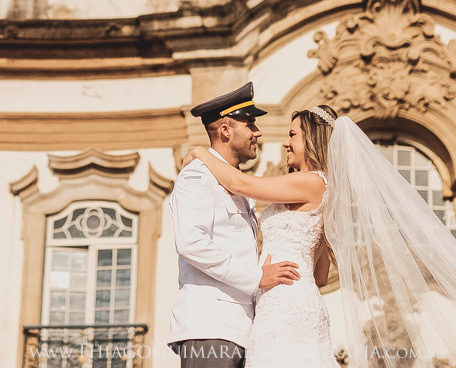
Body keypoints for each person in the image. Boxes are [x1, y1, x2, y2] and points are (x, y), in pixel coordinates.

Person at [188, 104, 456, 368]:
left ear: (312, 139)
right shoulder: (321, 187)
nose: (285, 144)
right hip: (293, 300)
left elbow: (240, 184)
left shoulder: (312, 181)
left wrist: (201, 152)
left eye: (293, 135)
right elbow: (320, 276)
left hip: (286, 306)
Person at [168, 82, 301, 366]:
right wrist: (256, 278)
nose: (258, 132)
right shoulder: (197, 176)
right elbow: (190, 242)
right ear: (226, 130)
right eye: (250, 124)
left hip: (241, 328)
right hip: (210, 325)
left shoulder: (232, 178)